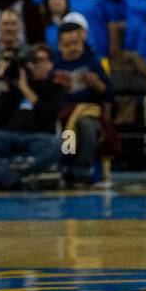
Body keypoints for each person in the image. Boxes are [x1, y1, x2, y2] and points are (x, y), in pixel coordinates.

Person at [0, 44, 66, 190]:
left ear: (50, 64)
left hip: (39, 136)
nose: (34, 65)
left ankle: (11, 177)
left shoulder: (55, 88)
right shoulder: (15, 86)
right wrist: (5, 90)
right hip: (9, 135)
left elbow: (47, 116)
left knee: (60, 144)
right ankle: (12, 178)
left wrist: (26, 89)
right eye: (32, 61)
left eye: (39, 60)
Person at [52, 22, 113, 185]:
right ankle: (66, 165)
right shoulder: (54, 64)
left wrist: (96, 84)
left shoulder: (92, 62)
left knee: (85, 125)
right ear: (59, 45)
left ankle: (82, 170)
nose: (72, 48)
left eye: (76, 44)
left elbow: (110, 94)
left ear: (82, 43)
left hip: (88, 111)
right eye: (67, 44)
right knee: (66, 124)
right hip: (62, 111)